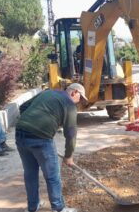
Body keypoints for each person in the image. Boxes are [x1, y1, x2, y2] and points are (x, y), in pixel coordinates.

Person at [15, 83, 87, 212]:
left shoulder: (47, 92)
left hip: (20, 134)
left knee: (30, 174)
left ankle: (33, 207)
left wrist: (31, 122)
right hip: (41, 140)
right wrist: (69, 155)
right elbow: (70, 133)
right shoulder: (69, 105)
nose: (79, 102)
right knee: (52, 176)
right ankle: (58, 208)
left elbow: (23, 107)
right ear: (74, 92)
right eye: (80, 98)